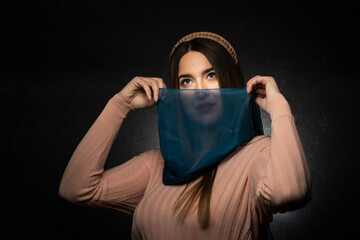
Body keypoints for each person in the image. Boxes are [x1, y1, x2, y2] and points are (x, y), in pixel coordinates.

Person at [59, 32, 312, 239]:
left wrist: (279, 107)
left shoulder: (257, 153)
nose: (199, 91)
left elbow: (288, 193)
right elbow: (76, 189)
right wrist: (119, 105)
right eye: (186, 82)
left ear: (231, 80)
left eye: (210, 75)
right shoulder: (155, 165)